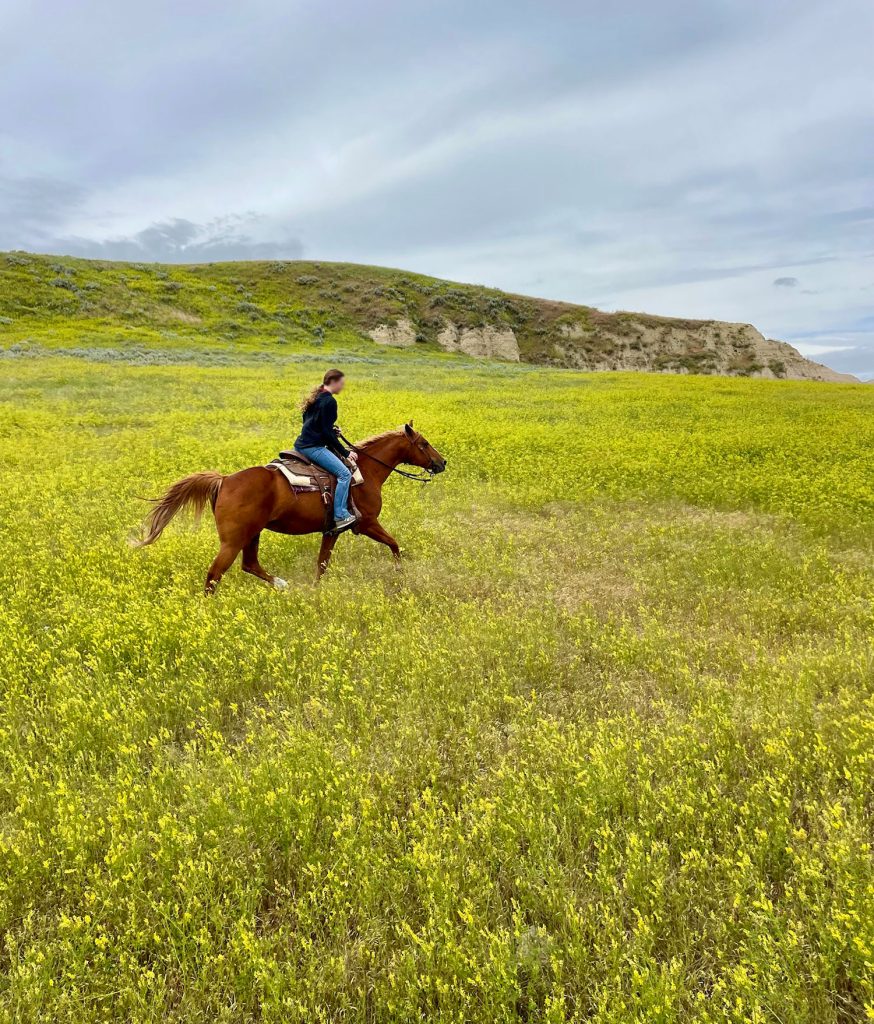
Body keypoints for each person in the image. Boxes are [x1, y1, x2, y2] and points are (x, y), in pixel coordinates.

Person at [294, 368, 359, 531]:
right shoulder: (330, 401)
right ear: (334, 382)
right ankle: (340, 515)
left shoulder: (316, 397)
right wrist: (346, 452)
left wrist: (331, 430)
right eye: (341, 384)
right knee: (344, 474)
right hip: (313, 447)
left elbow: (310, 422)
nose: (342, 387)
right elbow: (324, 431)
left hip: (300, 444)